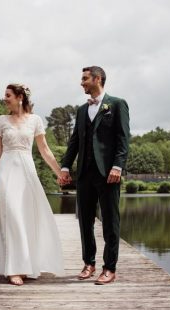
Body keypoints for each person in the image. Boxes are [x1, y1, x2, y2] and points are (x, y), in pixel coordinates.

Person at [0, 83, 65, 286]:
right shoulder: (1, 120)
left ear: (20, 97)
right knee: (12, 216)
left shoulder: (35, 120)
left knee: (26, 218)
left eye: (8, 95)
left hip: (27, 172)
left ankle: (25, 264)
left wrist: (60, 172)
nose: (4, 98)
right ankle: (13, 269)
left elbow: (44, 149)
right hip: (6, 171)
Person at [60, 66, 130, 285]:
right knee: (85, 222)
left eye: (84, 79)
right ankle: (88, 263)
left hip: (108, 173)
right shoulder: (81, 110)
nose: (81, 83)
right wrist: (65, 167)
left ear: (97, 79)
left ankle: (109, 268)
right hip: (84, 174)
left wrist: (117, 166)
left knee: (110, 222)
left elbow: (123, 139)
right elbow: (75, 142)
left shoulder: (117, 104)